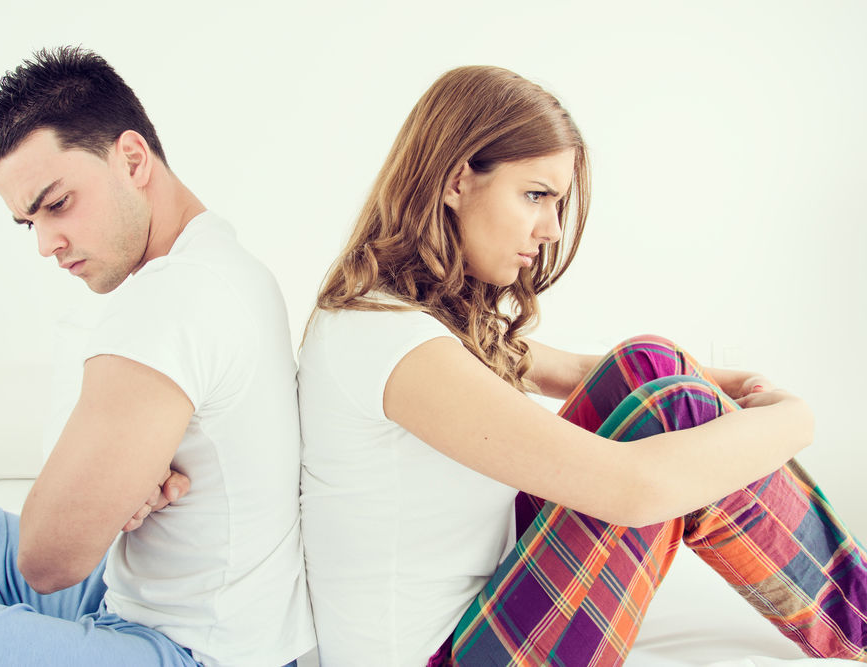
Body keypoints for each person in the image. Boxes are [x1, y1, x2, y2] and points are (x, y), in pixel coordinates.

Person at [297, 65, 867, 666]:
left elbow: (572, 370)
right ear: (457, 181)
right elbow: (633, 490)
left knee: (649, 363)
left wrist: (727, 385)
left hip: (485, 616)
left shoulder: (407, 317)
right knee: (673, 411)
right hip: (445, 655)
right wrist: (793, 421)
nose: (550, 229)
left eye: (558, 203)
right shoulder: (392, 342)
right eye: (535, 195)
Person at [0, 47, 314, 667]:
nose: (46, 244)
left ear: (132, 159)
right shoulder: (226, 262)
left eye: (57, 204)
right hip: (199, 624)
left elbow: (47, 561)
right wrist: (118, 485)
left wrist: (104, 491)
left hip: (189, 652)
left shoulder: (170, 298)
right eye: (29, 222)